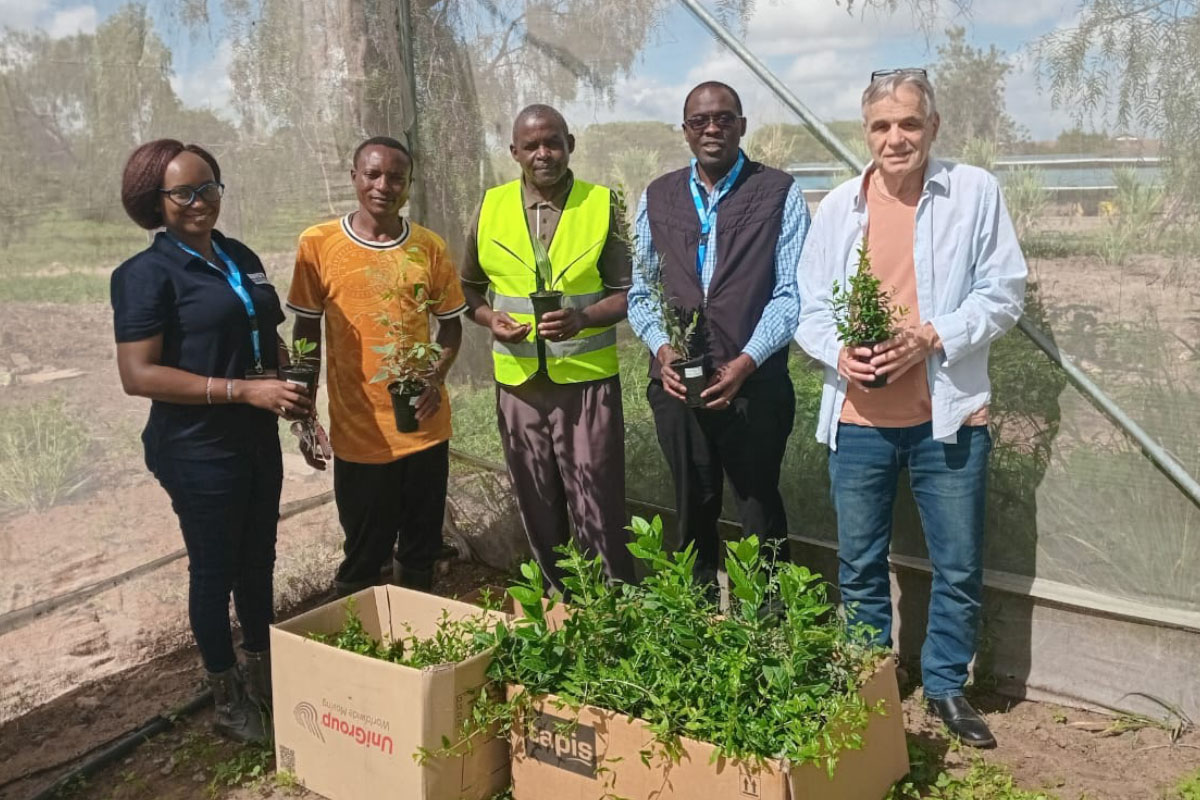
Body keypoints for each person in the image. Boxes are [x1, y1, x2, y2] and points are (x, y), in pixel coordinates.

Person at [794, 69, 1027, 747]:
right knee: (860, 561)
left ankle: (948, 684)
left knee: (957, 563)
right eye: (881, 126)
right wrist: (837, 351)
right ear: (865, 133)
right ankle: (873, 677)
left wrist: (930, 336)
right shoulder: (840, 206)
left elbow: (1004, 291)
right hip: (859, 420)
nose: (895, 138)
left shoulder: (974, 193)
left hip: (947, 417)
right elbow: (811, 307)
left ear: (933, 126)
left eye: (909, 124)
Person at [113, 139, 311, 743]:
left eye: (209, 188)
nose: (200, 203)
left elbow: (265, 335)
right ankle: (226, 695)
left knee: (259, 559)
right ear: (156, 199)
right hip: (195, 445)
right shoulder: (144, 276)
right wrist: (241, 392)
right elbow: (137, 375)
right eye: (183, 192)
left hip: (253, 437)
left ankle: (264, 669)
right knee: (215, 567)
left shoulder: (239, 255)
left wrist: (295, 400)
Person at [627, 81, 808, 587]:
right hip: (678, 387)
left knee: (757, 506)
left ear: (742, 126)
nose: (712, 128)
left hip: (755, 387)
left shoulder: (778, 192)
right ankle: (696, 617)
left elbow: (791, 293)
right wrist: (662, 349)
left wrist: (747, 360)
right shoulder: (658, 196)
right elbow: (643, 290)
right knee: (693, 502)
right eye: (699, 121)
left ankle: (768, 623)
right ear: (685, 131)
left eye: (724, 118)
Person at [460, 104, 636, 593]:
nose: (544, 154)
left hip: (585, 382)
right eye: (532, 145)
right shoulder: (489, 206)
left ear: (570, 145)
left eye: (553, 142)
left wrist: (582, 318)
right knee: (536, 499)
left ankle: (614, 609)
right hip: (518, 385)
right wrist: (488, 318)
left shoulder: (602, 203)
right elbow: (468, 289)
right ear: (514, 151)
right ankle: (559, 608)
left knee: (598, 502)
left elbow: (628, 291)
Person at [287, 136, 465, 596]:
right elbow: (305, 333)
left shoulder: (428, 248)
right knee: (365, 552)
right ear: (354, 177)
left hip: (424, 427)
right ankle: (360, 650)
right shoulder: (318, 245)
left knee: (421, 547)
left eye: (396, 178)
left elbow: (450, 330)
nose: (384, 185)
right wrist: (303, 415)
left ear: (408, 186)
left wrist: (434, 377)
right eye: (373, 174)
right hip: (359, 432)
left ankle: (417, 634)